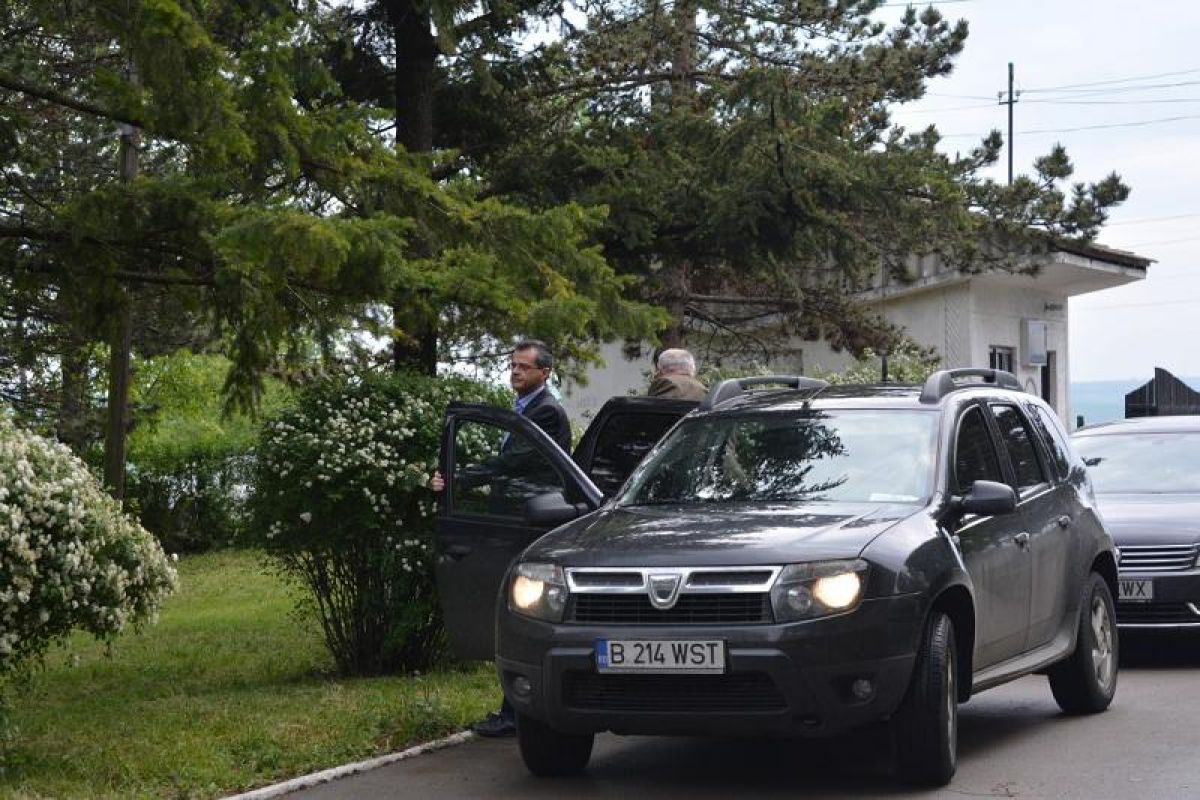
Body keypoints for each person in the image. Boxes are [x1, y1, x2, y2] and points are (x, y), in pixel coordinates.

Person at [430, 339, 569, 738]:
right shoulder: (525, 408)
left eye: (524, 366)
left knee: (521, 613)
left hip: (529, 523)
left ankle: (518, 710)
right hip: (514, 519)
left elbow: (512, 462)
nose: (515, 371)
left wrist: (459, 478)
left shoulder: (547, 411)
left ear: (545, 373)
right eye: (513, 365)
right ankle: (517, 707)